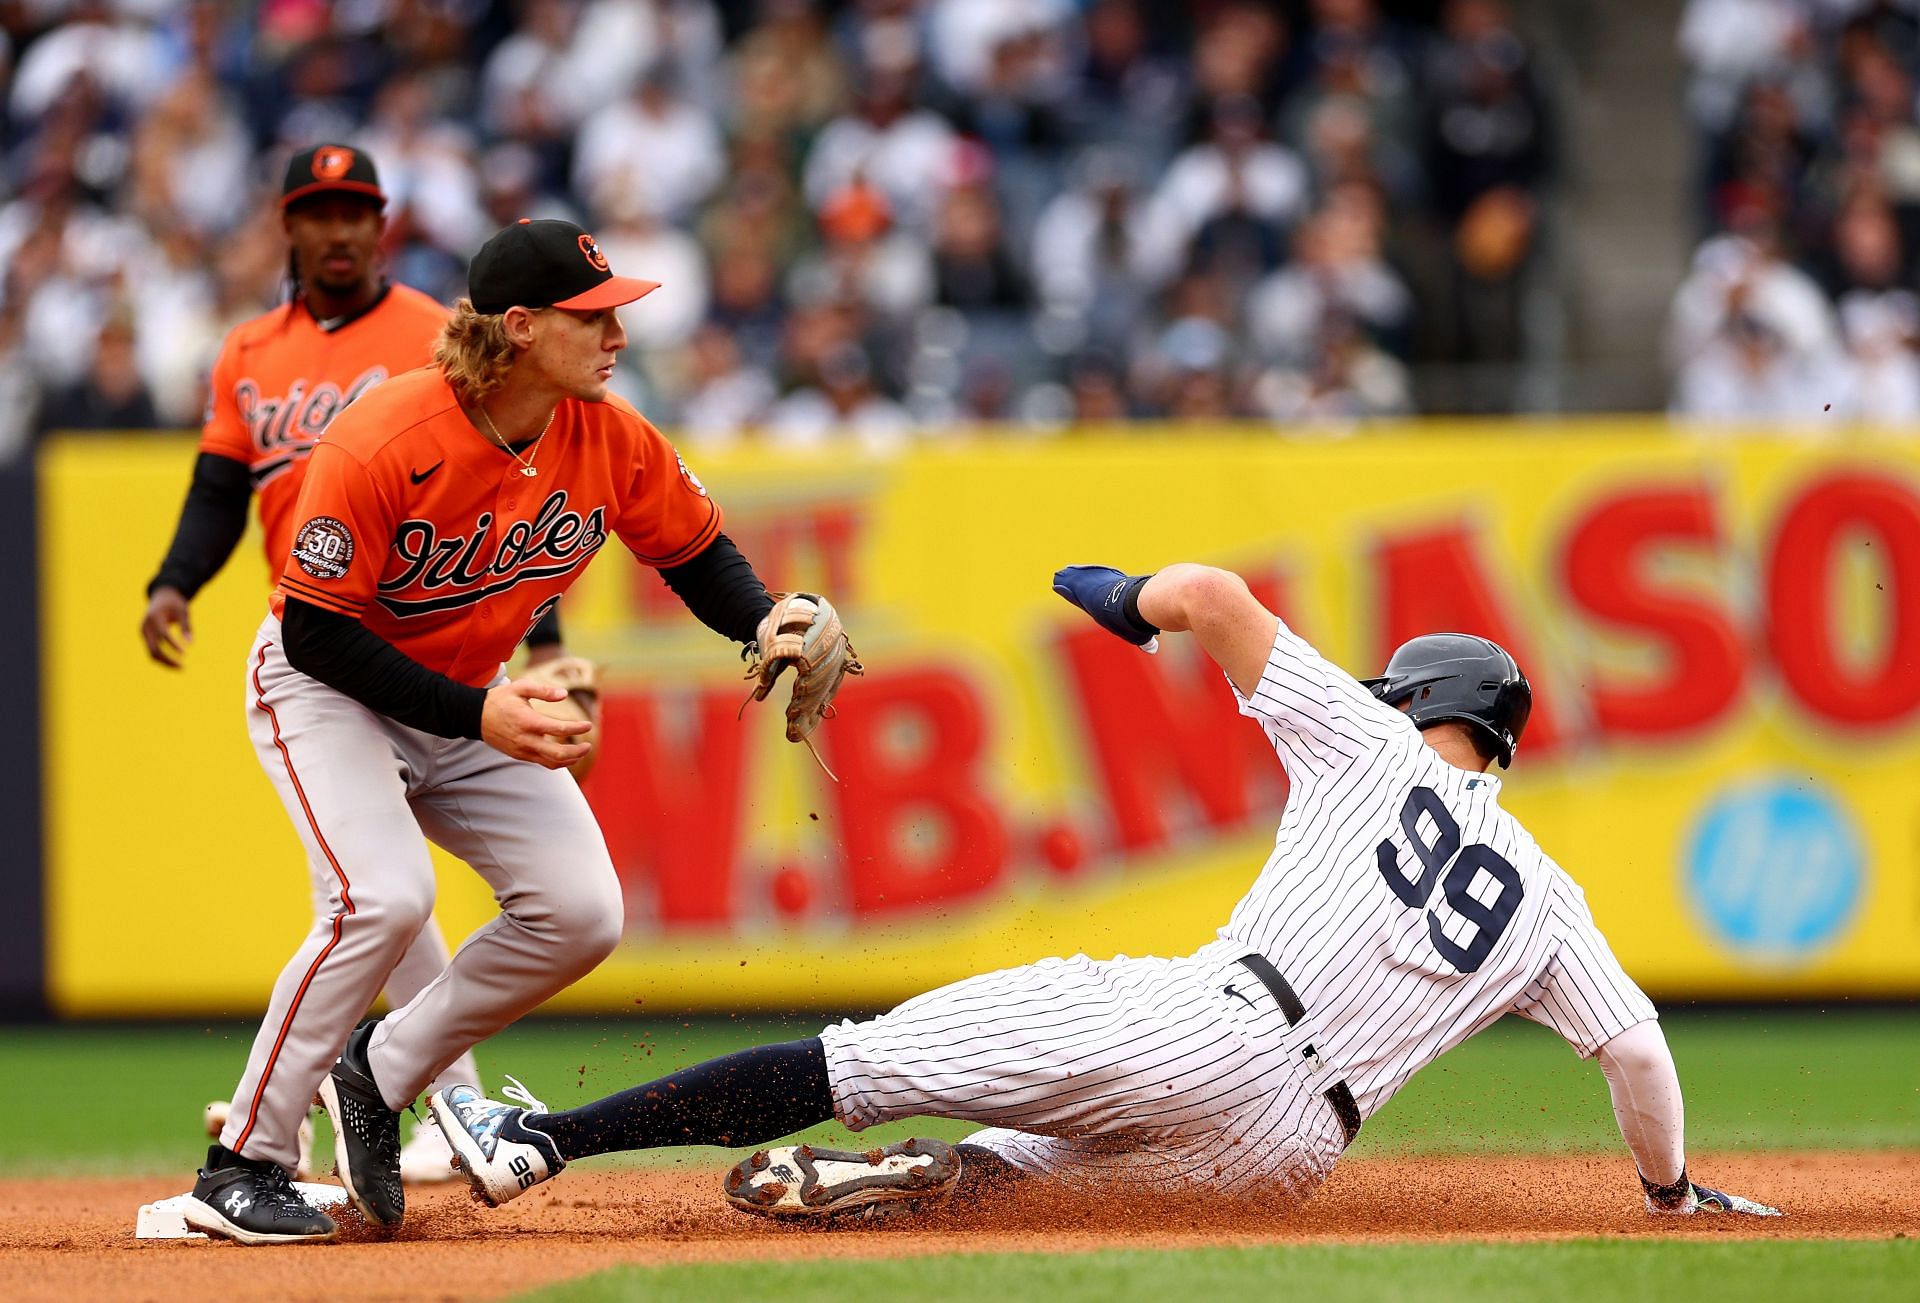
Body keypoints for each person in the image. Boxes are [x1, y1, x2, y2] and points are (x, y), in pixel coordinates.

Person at [430, 562, 1781, 1223]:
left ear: (1417, 701)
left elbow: (1211, 592)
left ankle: (543, 1143)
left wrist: (1128, 597)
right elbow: (1638, 1048)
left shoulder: (1369, 740)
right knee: (1032, 1180)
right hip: (1292, 1151)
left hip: (1215, 1020)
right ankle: (916, 1180)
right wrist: (1669, 1193)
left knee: (856, 1055)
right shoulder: (1549, 892)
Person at [180, 218, 830, 1246]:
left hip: (466, 691)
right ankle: (242, 1163)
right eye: (593, 316)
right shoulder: (386, 433)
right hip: (328, 688)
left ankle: (376, 1074)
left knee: (579, 912)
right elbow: (312, 630)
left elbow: (695, 552)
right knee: (382, 897)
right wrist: (476, 709)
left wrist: (760, 617)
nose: (617, 333)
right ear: (520, 327)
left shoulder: (608, 431)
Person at [141, 144, 542, 1186]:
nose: (340, 228)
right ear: (290, 224)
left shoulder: (430, 333)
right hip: (322, 651)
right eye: (320, 210)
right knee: (376, 895)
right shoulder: (247, 350)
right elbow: (219, 488)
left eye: (357, 209)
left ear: (383, 222)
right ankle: (427, 1102)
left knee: (375, 897)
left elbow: (509, 493)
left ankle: (374, 1097)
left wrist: (542, 648)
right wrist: (175, 579)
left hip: (431, 636)